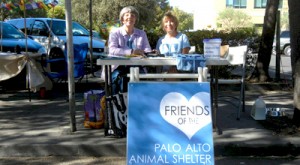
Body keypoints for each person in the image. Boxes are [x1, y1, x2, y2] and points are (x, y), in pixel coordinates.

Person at [108, 6, 152, 94]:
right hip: (119, 66)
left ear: (135, 19)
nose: (130, 17)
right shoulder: (115, 33)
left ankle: (138, 104)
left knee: (142, 83)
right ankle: (119, 105)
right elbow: (112, 50)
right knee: (118, 80)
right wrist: (131, 52)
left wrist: (151, 52)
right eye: (127, 15)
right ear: (122, 19)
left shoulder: (142, 33)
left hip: (138, 66)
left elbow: (147, 49)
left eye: (132, 15)